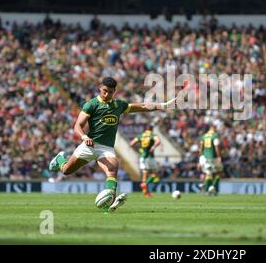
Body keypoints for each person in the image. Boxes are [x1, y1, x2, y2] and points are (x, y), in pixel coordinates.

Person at [49, 77, 176, 212]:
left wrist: (164, 105)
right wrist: (84, 136)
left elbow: (143, 106)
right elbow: (77, 125)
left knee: (112, 169)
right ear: (100, 88)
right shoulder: (91, 105)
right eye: (104, 91)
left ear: (114, 91)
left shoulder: (118, 105)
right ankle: (59, 159)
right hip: (89, 145)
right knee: (66, 171)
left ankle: (108, 207)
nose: (106, 94)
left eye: (110, 92)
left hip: (106, 148)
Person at [130, 124, 161, 197]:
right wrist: (153, 147)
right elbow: (158, 141)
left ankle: (146, 193)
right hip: (150, 157)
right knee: (155, 175)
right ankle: (145, 184)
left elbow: (131, 144)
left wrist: (138, 150)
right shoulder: (152, 135)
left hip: (142, 157)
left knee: (144, 175)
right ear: (152, 129)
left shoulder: (140, 136)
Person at [198, 125, 223, 196]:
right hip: (213, 157)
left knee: (209, 173)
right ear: (213, 129)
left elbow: (201, 148)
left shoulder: (204, 136)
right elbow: (216, 147)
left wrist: (200, 159)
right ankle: (213, 187)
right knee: (219, 172)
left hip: (205, 157)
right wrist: (219, 156)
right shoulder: (215, 136)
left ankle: (206, 188)